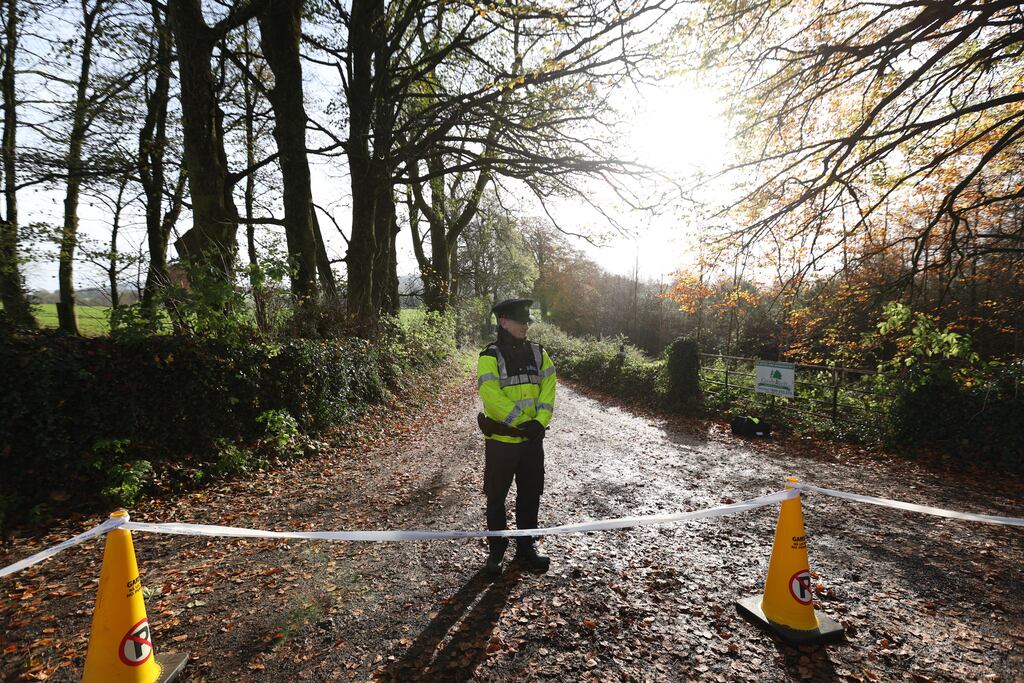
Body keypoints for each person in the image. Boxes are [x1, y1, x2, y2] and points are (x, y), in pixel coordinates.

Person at [476, 298, 556, 575]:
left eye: (526, 322)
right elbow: (491, 396)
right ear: (503, 322)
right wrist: (524, 422)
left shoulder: (539, 353)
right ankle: (496, 551)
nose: (525, 326)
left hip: (532, 443)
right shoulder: (489, 356)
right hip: (501, 444)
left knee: (531, 494)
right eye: (520, 321)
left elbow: (549, 388)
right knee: (496, 498)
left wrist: (540, 421)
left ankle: (527, 546)